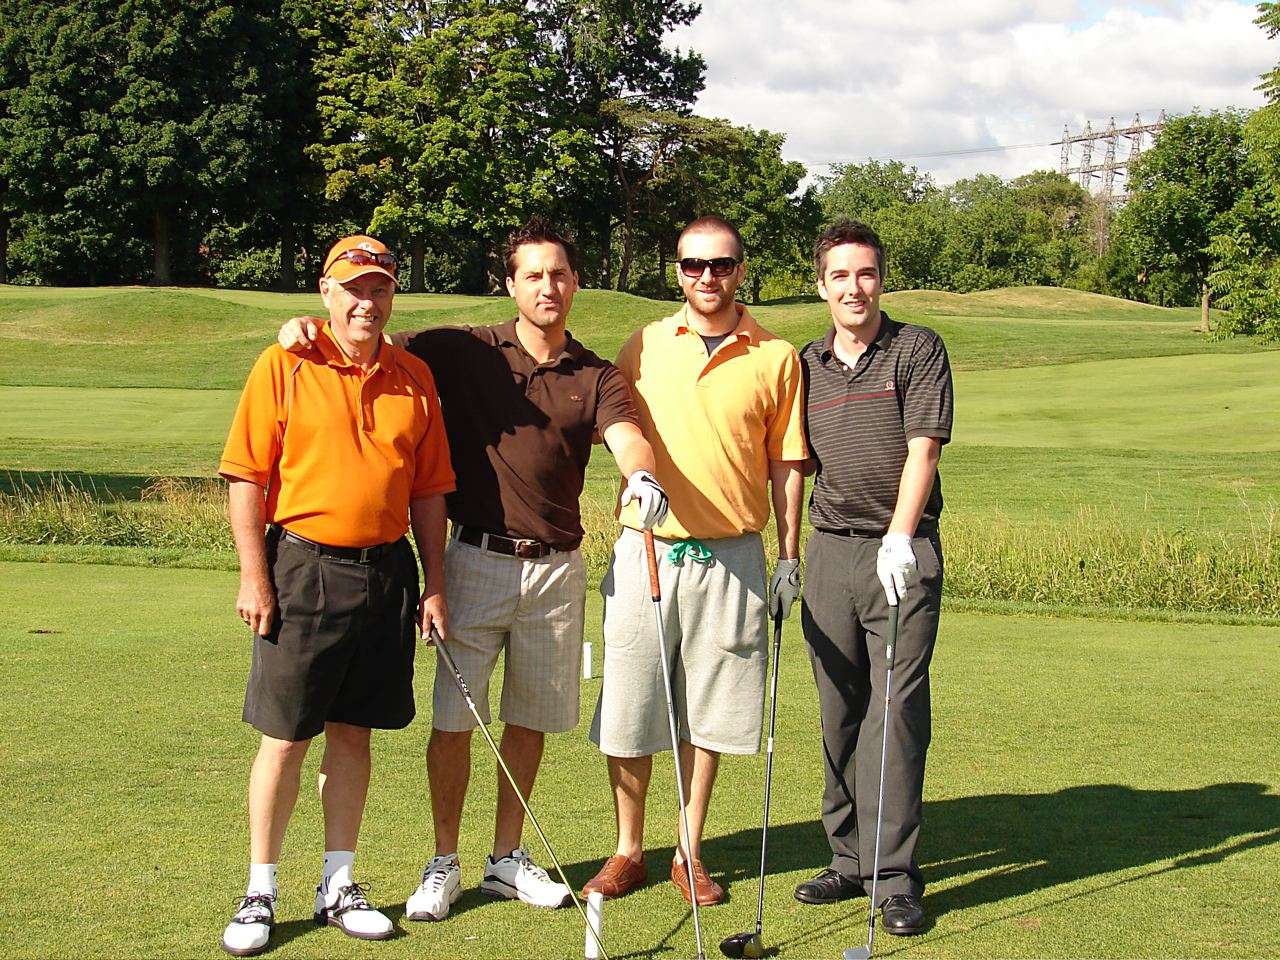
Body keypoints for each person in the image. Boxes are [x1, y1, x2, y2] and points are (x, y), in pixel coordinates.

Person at [275, 219, 666, 920]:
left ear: (575, 282)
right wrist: (303, 327)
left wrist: (642, 477)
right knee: (455, 720)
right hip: (475, 559)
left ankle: (506, 859)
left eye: (560, 274)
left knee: (529, 719)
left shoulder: (595, 373)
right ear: (511, 284)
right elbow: (366, 337)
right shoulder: (464, 349)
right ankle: (444, 859)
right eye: (534, 275)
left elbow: (627, 435)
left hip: (558, 571)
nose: (549, 286)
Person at [218, 235, 455, 956]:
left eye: (379, 288)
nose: (366, 301)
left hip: (386, 574)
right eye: (352, 288)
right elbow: (245, 478)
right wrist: (254, 575)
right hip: (301, 567)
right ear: (326, 293)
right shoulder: (284, 363)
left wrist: (435, 585)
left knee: (354, 733)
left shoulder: (413, 375)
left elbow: (429, 492)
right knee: (287, 737)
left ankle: (339, 881)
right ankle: (261, 889)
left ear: (391, 298)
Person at [584, 215, 807, 906]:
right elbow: (609, 428)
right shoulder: (644, 344)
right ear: (675, 269)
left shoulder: (775, 354)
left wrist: (789, 554)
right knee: (629, 705)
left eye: (721, 264)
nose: (706, 277)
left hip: (733, 553)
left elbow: (787, 464)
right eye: (692, 265)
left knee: (710, 710)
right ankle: (628, 850)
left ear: (741, 269)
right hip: (645, 547)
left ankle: (688, 849)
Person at [792, 219, 953, 937]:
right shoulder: (805, 363)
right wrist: (788, 552)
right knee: (838, 710)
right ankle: (847, 857)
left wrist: (899, 535)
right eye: (840, 276)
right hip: (829, 551)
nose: (854, 288)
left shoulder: (917, 349)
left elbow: (923, 450)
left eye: (866, 274)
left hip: (901, 552)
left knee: (895, 712)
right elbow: (792, 463)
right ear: (821, 284)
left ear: (881, 279)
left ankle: (893, 877)